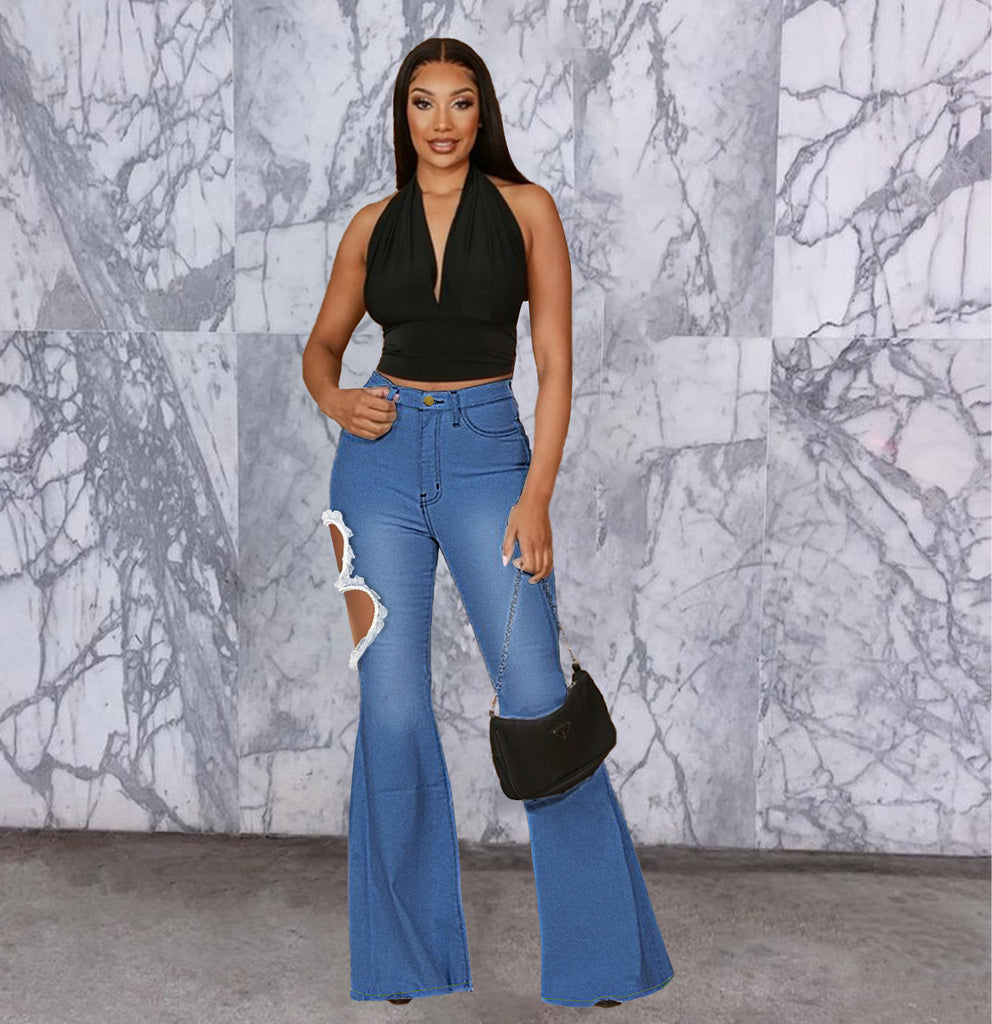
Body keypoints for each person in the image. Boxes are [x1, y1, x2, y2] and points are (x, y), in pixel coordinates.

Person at [302, 37, 675, 1008]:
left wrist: (536, 493)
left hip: (488, 459)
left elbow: (555, 362)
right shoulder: (370, 225)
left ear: (483, 112)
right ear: (403, 115)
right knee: (391, 709)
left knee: (539, 699)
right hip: (375, 471)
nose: (441, 122)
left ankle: (602, 963)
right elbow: (322, 347)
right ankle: (403, 962)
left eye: (459, 102)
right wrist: (335, 399)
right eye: (422, 102)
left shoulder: (526, 209)